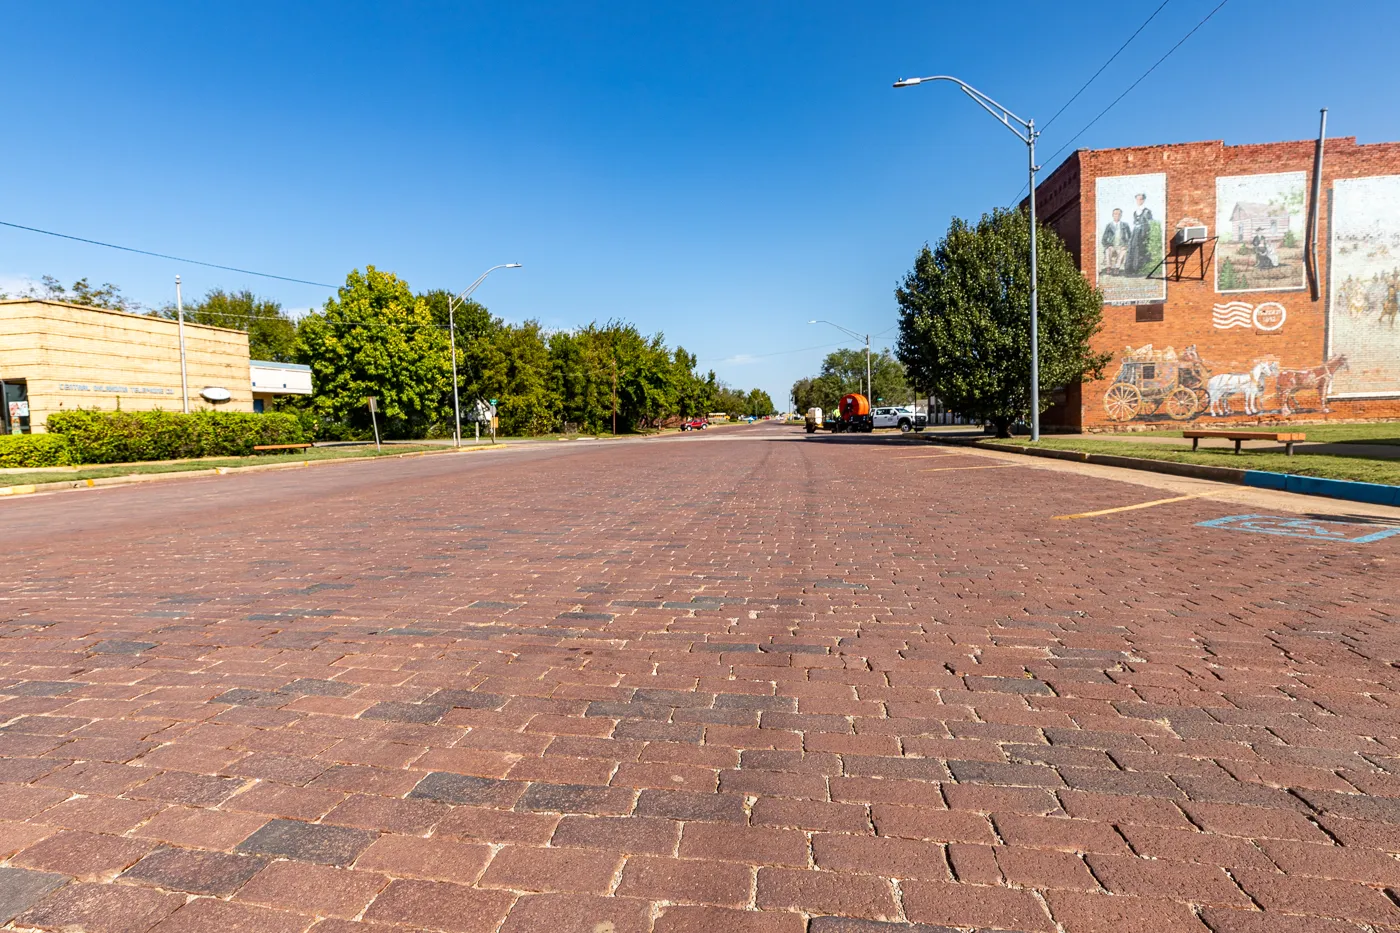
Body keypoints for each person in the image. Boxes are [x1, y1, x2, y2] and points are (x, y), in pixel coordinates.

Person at [1126, 193, 1154, 275]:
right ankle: (1130, 268)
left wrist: (1145, 233)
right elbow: (1135, 222)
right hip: (1135, 232)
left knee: (1140, 249)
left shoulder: (1147, 211)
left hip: (1143, 232)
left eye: (1141, 199)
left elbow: (1150, 222)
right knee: (1132, 248)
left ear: (1143, 200)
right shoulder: (1135, 211)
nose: (1139, 201)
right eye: (1137, 199)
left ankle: (1137, 268)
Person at [1101, 208, 1131, 275]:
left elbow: (1130, 237)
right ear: (1112, 215)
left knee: (1123, 251)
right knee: (1108, 250)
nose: (1117, 215)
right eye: (1115, 214)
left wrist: (1126, 245)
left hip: (1121, 246)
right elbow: (1103, 239)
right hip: (1112, 246)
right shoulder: (1109, 225)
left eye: (1119, 214)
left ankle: (1117, 268)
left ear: (1121, 215)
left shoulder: (1125, 225)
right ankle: (1109, 267)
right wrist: (1109, 246)